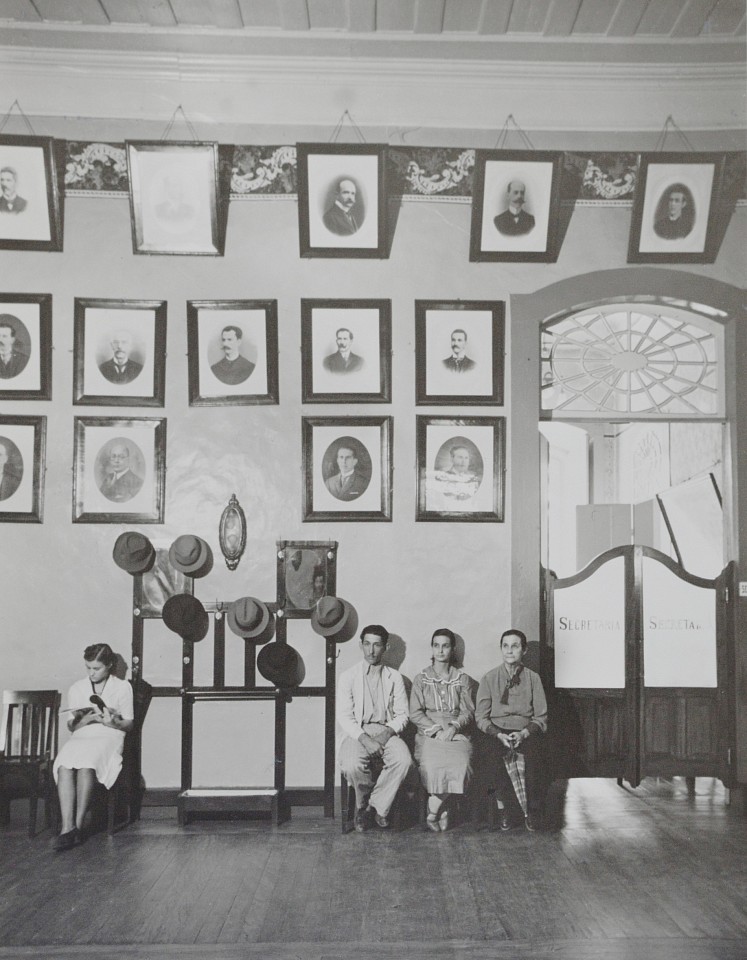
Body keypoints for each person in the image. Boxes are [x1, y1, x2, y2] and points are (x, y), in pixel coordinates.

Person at [52, 643, 134, 851]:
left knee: (87, 764)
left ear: (110, 665)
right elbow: (72, 726)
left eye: (96, 668)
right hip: (83, 735)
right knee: (64, 764)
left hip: (109, 735)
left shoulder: (122, 687)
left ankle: (77, 827)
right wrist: (85, 719)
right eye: (88, 667)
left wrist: (112, 721)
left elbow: (130, 724)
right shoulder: (77, 688)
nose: (91, 673)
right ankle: (66, 828)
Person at [337, 624, 412, 831]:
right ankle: (365, 805)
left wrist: (385, 734)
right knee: (351, 764)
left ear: (385, 647)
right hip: (357, 732)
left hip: (386, 731)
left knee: (403, 760)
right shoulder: (348, 677)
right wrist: (365, 739)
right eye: (367, 644)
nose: (371, 650)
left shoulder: (394, 677)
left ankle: (374, 807)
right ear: (361, 645)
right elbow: (344, 717)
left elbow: (402, 715)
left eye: (377, 645)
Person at [475, 628, 548, 832]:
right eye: (505, 646)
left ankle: (531, 810)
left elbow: (541, 716)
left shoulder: (533, 679)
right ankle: (505, 809)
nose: (509, 651)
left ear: (523, 651)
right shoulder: (489, 678)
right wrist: (498, 735)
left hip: (525, 731)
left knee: (536, 756)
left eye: (515, 646)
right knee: (492, 757)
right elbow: (481, 716)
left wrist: (524, 733)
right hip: (496, 732)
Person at [410, 628, 474, 832]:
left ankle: (434, 807)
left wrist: (453, 728)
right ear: (432, 648)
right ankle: (445, 807)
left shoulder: (462, 679)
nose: (440, 650)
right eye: (436, 645)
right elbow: (415, 713)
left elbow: (468, 711)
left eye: (445, 645)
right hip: (429, 732)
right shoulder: (421, 678)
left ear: (452, 649)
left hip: (456, 731)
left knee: (462, 765)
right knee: (432, 765)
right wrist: (436, 730)